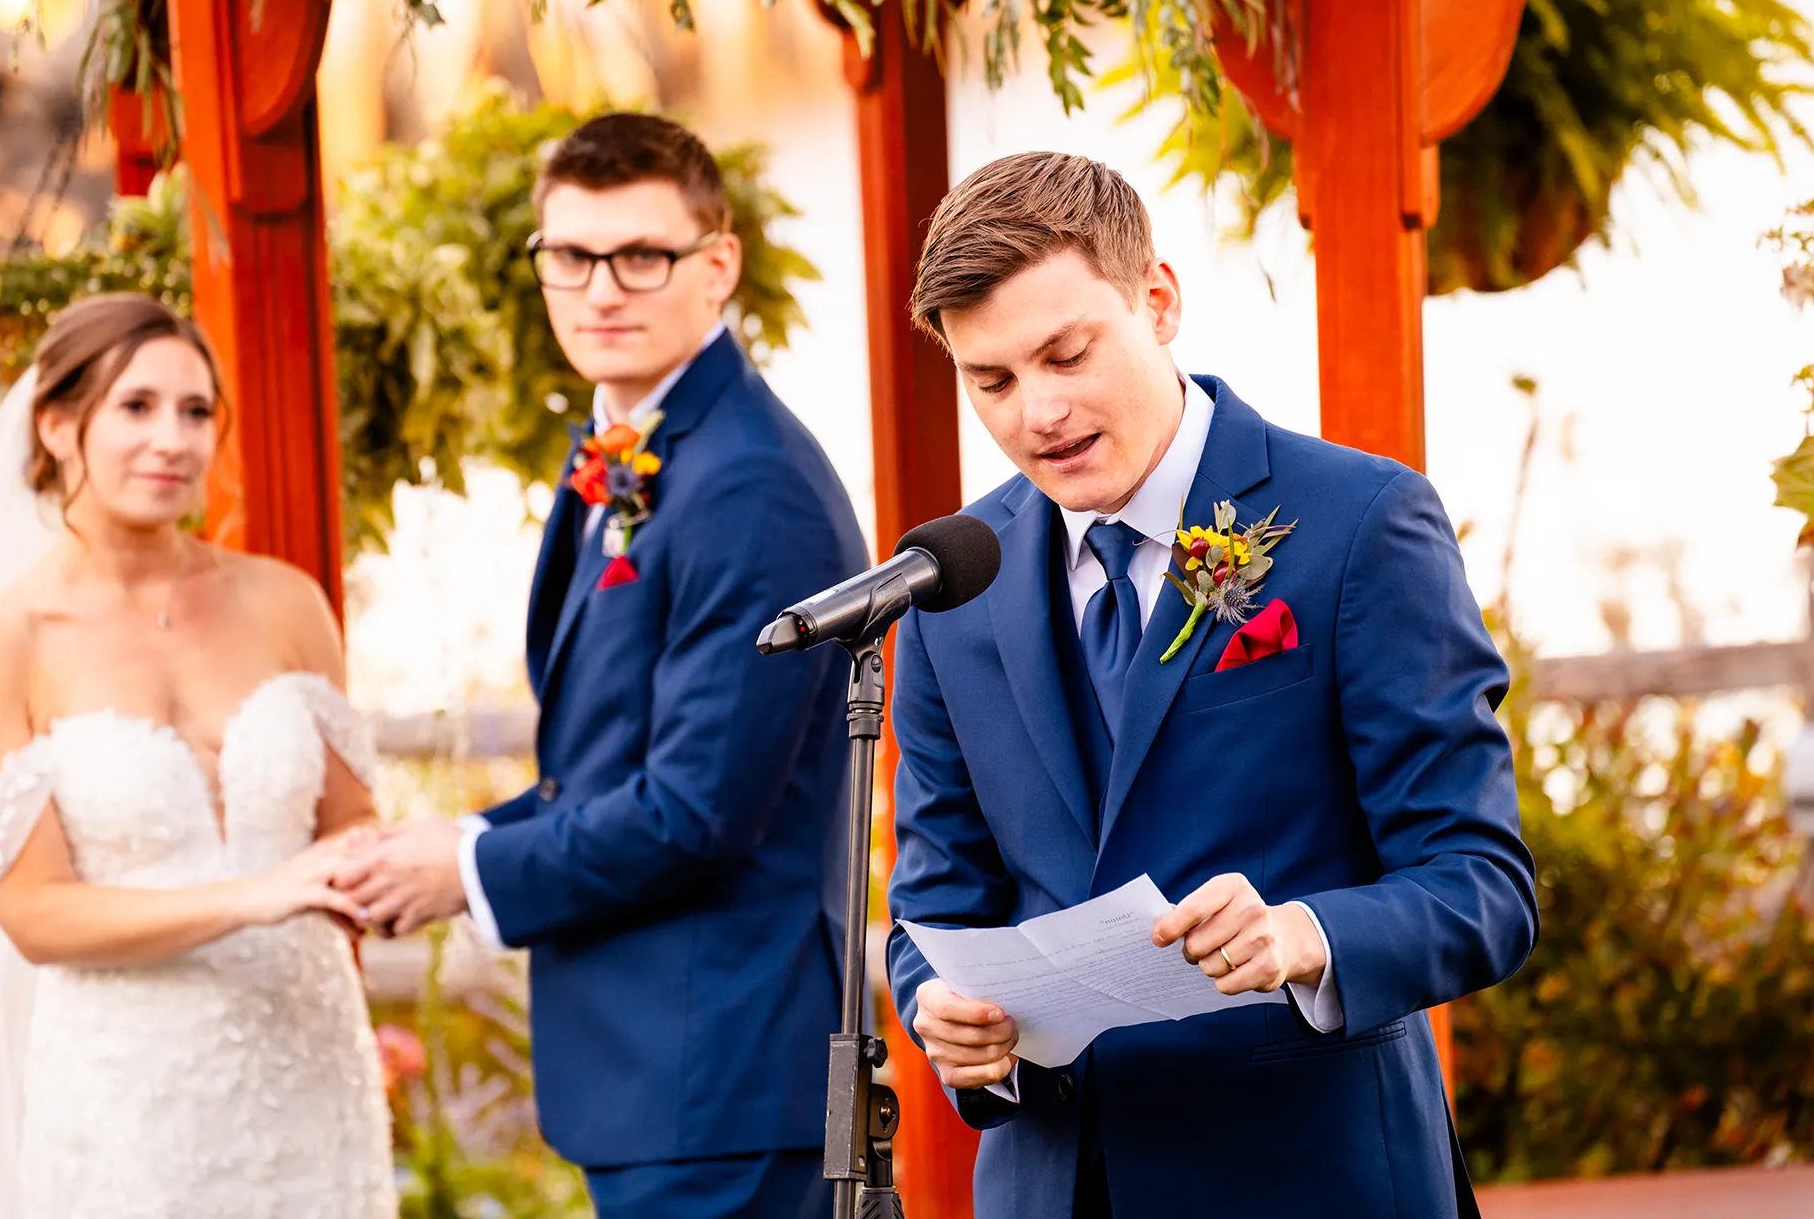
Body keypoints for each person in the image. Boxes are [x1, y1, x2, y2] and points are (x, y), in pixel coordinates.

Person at [885, 152, 1539, 1218]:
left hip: (1310, 1177)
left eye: (1066, 354)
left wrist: (1303, 934)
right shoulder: (954, 579)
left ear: (1159, 299)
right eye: (991, 380)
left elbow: (1483, 884)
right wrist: (946, 1014)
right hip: (1054, 1185)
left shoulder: (1363, 523)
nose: (1036, 412)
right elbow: (935, 906)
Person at [334, 113, 869, 1219]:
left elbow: (696, 810)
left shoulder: (747, 484)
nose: (600, 290)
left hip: (718, 1078)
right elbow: (606, 765)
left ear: (717, 264)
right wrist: (459, 839)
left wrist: (468, 875)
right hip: (653, 1080)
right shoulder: (631, 447)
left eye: (641, 255)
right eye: (569, 257)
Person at [0, 293, 396, 1217]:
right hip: (132, 1093)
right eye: (137, 407)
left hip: (311, 1069)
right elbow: (36, 913)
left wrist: (410, 871)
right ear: (55, 425)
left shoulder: (287, 602)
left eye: (196, 411)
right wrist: (258, 895)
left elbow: (349, 822)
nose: (173, 438)